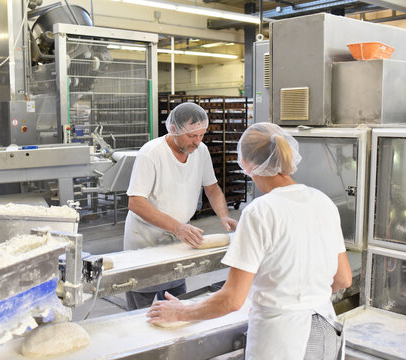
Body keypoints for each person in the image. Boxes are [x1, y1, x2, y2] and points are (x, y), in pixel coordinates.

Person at [146, 122, 353, 359]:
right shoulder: (322, 201)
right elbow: (343, 278)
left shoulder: (260, 211)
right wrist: (306, 295)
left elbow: (232, 300)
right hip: (324, 331)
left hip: (282, 339)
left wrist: (181, 312)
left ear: (246, 164)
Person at [124, 102, 238, 310]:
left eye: (201, 135)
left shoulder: (200, 151)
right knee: (140, 311)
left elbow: (211, 188)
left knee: (178, 305)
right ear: (173, 129)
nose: (197, 142)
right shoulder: (151, 153)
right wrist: (178, 227)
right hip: (146, 240)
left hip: (178, 241)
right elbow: (136, 203)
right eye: (192, 136)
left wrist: (223, 216)